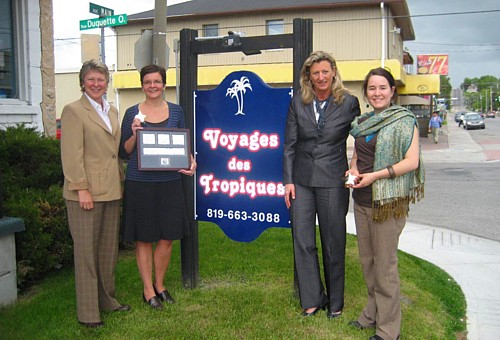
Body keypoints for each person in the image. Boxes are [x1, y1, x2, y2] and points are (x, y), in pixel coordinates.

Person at [347, 67, 424, 340]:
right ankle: (372, 313)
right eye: (372, 88)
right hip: (362, 200)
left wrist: (375, 176)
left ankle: (389, 330)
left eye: (382, 87)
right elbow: (357, 156)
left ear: (392, 91)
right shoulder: (364, 122)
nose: (377, 93)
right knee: (368, 262)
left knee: (385, 266)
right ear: (366, 93)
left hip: (387, 203)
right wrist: (354, 170)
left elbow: (411, 162)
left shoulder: (405, 121)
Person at [283, 51, 361, 319]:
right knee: (303, 241)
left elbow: (361, 140)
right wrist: (288, 182)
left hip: (333, 182)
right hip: (302, 182)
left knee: (333, 242)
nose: (321, 76)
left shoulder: (349, 102)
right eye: (315, 72)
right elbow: (290, 145)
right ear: (309, 77)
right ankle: (312, 299)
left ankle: (336, 303)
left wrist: (355, 166)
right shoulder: (298, 103)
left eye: (325, 71)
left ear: (334, 72)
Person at [119, 64, 196, 311]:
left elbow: (184, 145)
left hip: (169, 182)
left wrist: (191, 162)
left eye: (157, 81)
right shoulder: (132, 113)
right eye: (147, 82)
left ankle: (160, 285)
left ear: (164, 84)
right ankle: (147, 289)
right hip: (140, 183)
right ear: (142, 85)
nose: (152, 86)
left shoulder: (176, 111)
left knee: (167, 237)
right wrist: (133, 134)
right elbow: (124, 151)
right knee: (144, 237)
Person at [60, 59, 130, 328]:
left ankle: (108, 300)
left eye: (101, 79)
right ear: (82, 82)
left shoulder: (111, 110)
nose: (96, 84)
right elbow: (72, 156)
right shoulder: (74, 111)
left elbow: (113, 152)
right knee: (87, 255)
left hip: (111, 190)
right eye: (91, 79)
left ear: (107, 82)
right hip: (85, 194)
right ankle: (89, 314)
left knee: (107, 252)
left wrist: (119, 183)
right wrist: (82, 190)